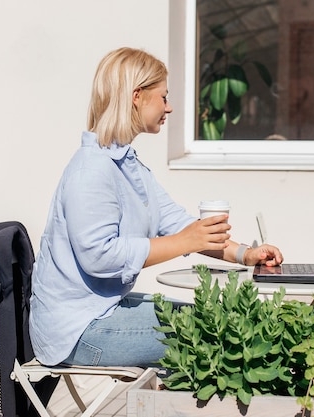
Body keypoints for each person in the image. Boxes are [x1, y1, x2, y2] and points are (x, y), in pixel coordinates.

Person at [29, 47, 283, 368]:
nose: (170, 107)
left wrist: (245, 254)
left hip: (103, 310)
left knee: (211, 317)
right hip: (78, 329)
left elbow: (179, 224)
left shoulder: (126, 164)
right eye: (163, 97)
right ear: (137, 96)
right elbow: (99, 256)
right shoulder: (91, 170)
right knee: (219, 334)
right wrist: (184, 243)